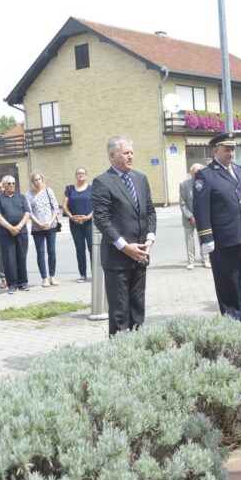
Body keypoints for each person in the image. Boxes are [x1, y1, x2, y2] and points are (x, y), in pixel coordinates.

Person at [92, 136, 156, 337]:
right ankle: (121, 354)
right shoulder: (102, 182)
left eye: (132, 152)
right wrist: (125, 246)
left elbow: (150, 211)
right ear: (112, 156)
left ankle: (138, 351)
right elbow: (101, 220)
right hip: (118, 260)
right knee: (120, 313)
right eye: (126, 152)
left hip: (141, 256)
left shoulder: (140, 178)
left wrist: (150, 238)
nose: (131, 156)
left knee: (138, 310)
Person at [193, 132, 241, 325]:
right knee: (226, 278)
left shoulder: (238, 170)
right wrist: (206, 238)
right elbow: (201, 209)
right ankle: (230, 317)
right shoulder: (206, 175)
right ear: (215, 150)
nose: (231, 153)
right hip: (223, 237)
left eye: (233, 149)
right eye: (227, 149)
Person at [0, 175, 31, 294]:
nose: (12, 185)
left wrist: (18, 227)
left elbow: (27, 213)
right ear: (3, 185)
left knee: (21, 258)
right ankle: (12, 285)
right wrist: (10, 228)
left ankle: (23, 283)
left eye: (13, 183)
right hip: (6, 233)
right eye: (9, 183)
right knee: (9, 260)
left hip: (21, 232)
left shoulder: (21, 197)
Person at [26, 172, 60, 287]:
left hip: (51, 225)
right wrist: (39, 223)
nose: (38, 181)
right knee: (40, 252)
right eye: (35, 180)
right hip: (37, 227)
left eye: (39, 179)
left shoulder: (48, 191)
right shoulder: (29, 195)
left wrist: (50, 222)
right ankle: (44, 278)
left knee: (52, 252)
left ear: (42, 179)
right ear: (32, 182)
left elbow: (55, 208)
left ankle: (52, 276)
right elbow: (29, 212)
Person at [62, 167, 94, 282]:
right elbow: (64, 205)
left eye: (82, 173)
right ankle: (83, 274)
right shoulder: (70, 189)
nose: (80, 175)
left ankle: (95, 273)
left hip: (89, 222)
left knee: (92, 248)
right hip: (75, 223)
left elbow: (97, 205)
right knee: (80, 249)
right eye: (78, 173)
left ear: (86, 175)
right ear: (76, 175)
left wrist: (88, 217)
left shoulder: (92, 189)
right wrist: (71, 217)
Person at [179, 163, 209, 269]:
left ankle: (205, 259)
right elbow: (182, 203)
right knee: (189, 240)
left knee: (204, 239)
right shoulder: (184, 184)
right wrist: (190, 217)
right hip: (189, 218)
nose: (197, 174)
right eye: (195, 172)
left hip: (202, 218)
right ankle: (190, 261)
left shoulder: (206, 183)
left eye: (199, 172)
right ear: (191, 173)